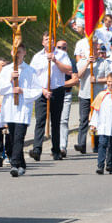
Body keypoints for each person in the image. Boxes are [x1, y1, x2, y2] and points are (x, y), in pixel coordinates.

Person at [0, 44, 42, 177]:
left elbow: (37, 90)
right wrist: (10, 81)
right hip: (10, 108)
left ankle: (14, 164)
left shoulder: (30, 70)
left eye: (19, 52)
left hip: (22, 108)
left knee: (19, 137)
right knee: (11, 138)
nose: (17, 55)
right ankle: (22, 164)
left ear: (24, 53)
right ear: (11, 53)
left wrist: (22, 91)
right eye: (15, 52)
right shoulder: (6, 70)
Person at [29, 32, 73, 161]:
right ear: (43, 42)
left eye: (51, 39)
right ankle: (37, 149)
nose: (49, 41)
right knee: (40, 121)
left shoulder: (62, 54)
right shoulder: (37, 57)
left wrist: (55, 61)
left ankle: (56, 150)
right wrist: (42, 90)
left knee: (56, 122)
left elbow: (68, 69)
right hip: (42, 92)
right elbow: (32, 77)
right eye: (46, 39)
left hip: (57, 90)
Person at [74, 41, 112, 154]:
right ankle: (81, 143)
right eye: (93, 49)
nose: (96, 52)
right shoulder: (82, 62)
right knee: (83, 120)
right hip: (84, 94)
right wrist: (87, 63)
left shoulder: (104, 63)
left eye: (97, 49)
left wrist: (97, 80)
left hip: (98, 95)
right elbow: (78, 76)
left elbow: (109, 78)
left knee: (97, 120)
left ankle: (96, 144)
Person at [57, 39, 79, 158]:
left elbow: (75, 80)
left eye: (63, 48)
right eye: (59, 48)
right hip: (53, 94)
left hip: (65, 93)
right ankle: (55, 146)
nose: (61, 50)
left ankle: (62, 147)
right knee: (54, 121)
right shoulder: (51, 62)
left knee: (63, 120)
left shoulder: (70, 61)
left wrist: (61, 84)